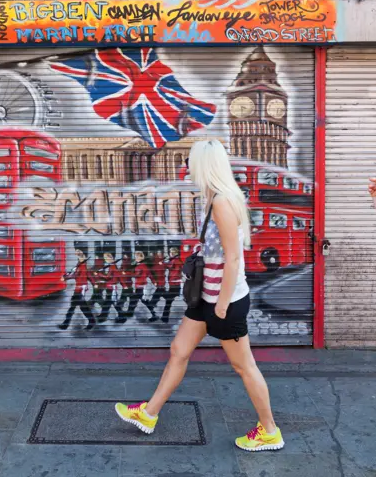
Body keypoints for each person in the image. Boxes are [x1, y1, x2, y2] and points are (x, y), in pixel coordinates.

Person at [115, 139, 284, 452]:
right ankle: (149, 413)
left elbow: (233, 258)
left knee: (244, 366)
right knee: (179, 349)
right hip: (205, 297)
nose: (189, 168)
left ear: (204, 165)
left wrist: (220, 304)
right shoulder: (214, 199)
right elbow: (216, 250)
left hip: (225, 301)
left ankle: (270, 429)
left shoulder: (222, 201)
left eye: (193, 162)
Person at [58, 245, 96, 331]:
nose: (77, 252)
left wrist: (66, 278)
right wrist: (66, 275)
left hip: (82, 287)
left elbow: (79, 275)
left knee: (75, 306)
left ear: (83, 251)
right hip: (78, 287)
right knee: (80, 306)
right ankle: (91, 321)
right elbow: (75, 272)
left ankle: (66, 324)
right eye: (76, 250)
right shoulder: (79, 262)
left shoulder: (85, 264)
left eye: (79, 250)